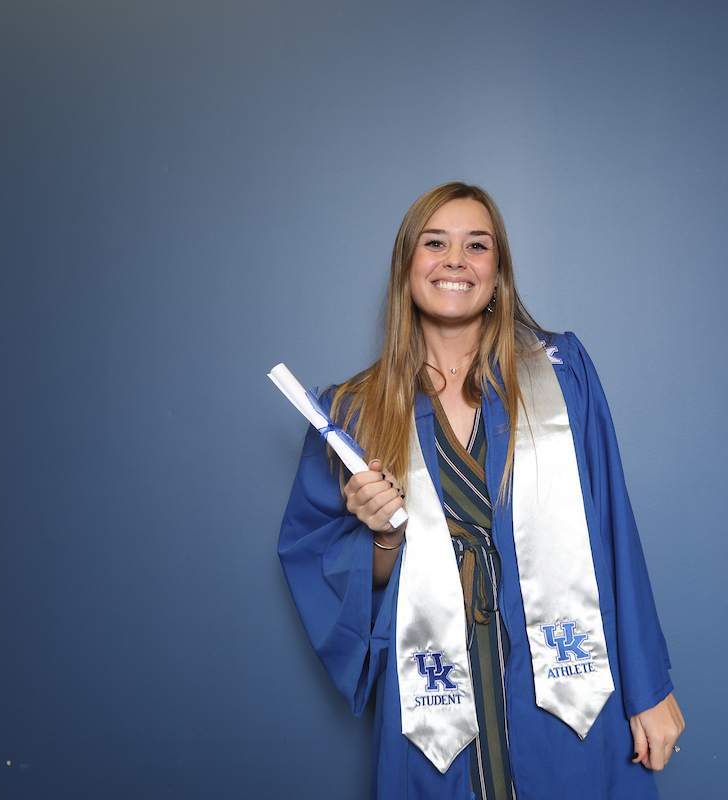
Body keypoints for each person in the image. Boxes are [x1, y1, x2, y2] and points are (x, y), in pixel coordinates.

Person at [278, 182, 683, 799]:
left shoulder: (561, 375)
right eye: (434, 243)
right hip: (436, 696)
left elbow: (615, 533)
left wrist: (650, 687)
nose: (455, 261)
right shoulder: (354, 413)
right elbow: (336, 574)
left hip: (564, 682)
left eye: (477, 245)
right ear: (406, 265)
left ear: (499, 271)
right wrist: (382, 533)